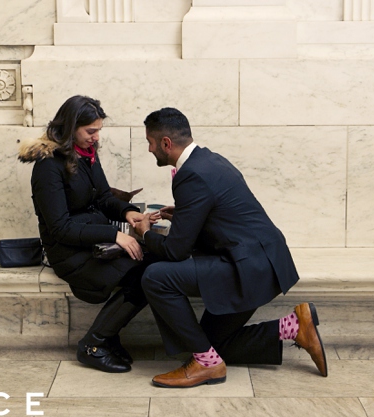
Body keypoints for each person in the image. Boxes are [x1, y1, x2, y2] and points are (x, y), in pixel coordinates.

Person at [132, 107, 328, 388]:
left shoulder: (190, 176)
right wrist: (188, 214)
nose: (149, 149)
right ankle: (294, 327)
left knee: (155, 276)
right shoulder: (209, 160)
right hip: (263, 262)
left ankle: (204, 365)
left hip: (246, 267)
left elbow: (175, 251)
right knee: (211, 344)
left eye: (150, 142)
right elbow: (223, 210)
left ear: (166, 143)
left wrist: (145, 232)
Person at [18, 95, 153, 374]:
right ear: (70, 128)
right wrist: (115, 235)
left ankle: (108, 338)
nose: (96, 137)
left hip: (93, 241)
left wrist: (127, 212)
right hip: (68, 250)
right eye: (91, 131)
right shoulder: (48, 166)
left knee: (149, 269)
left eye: (99, 130)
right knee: (141, 276)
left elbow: (103, 197)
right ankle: (93, 345)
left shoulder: (86, 154)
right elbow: (60, 228)